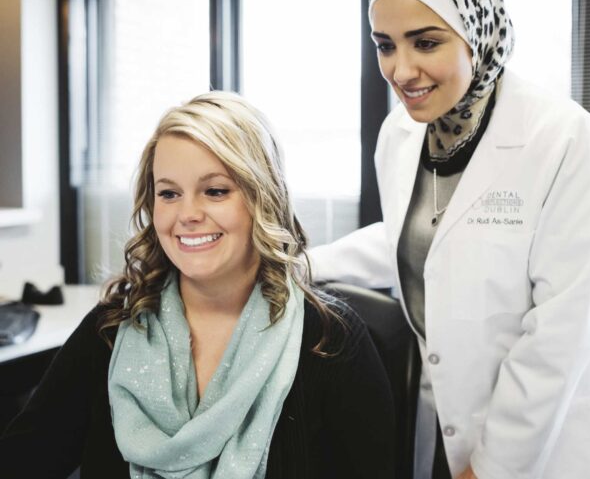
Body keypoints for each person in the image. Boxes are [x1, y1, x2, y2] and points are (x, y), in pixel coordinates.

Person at [308, 0, 590, 478]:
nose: (401, 70)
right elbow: (414, 237)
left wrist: (493, 467)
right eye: (385, 45)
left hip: (543, 443)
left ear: (477, 31)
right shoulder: (400, 136)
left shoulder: (562, 138)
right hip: (438, 420)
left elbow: (563, 328)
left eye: (426, 43)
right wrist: (299, 264)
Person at [0, 91, 395, 479]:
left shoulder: (330, 340)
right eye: (169, 193)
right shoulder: (112, 329)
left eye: (215, 191)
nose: (187, 214)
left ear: (264, 199)